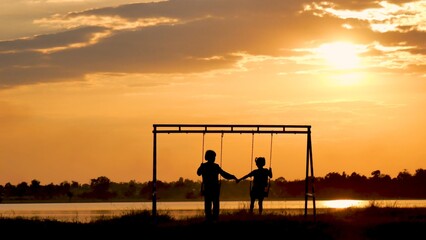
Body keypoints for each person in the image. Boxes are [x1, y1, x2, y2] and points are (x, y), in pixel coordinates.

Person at [197, 149, 237, 222]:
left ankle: (208, 219)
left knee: (208, 205)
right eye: (214, 157)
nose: (214, 158)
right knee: (215, 204)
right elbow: (224, 174)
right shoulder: (215, 166)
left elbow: (198, 173)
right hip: (214, 188)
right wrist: (232, 177)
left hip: (208, 188)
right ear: (211, 157)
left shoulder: (204, 166)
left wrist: (201, 167)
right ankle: (215, 219)